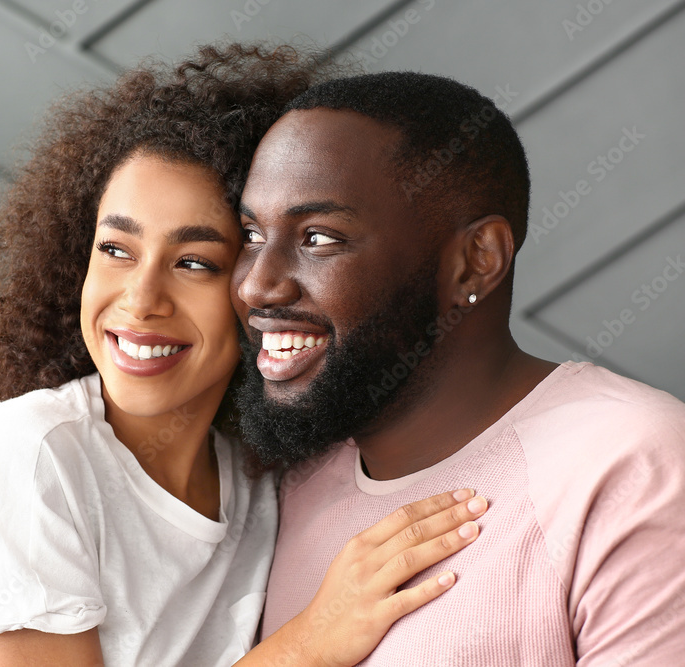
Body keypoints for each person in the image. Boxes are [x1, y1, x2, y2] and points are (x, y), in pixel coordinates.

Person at [0, 47, 489, 667]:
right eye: (116, 249)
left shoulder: (256, 483)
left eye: (195, 263)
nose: (140, 299)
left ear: (261, 287)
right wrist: (310, 644)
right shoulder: (32, 458)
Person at [231, 70, 685, 665]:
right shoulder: (280, 483)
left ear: (475, 261)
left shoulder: (631, 462)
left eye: (319, 238)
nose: (257, 285)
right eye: (251, 233)